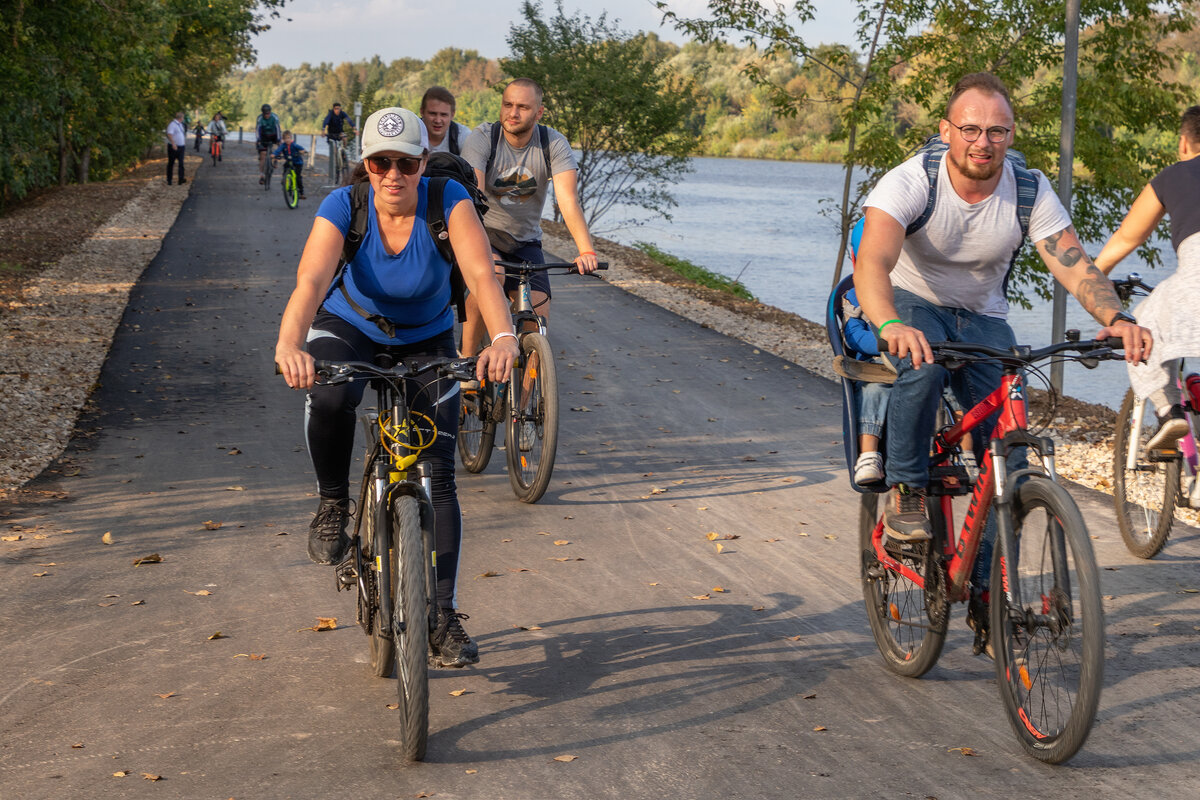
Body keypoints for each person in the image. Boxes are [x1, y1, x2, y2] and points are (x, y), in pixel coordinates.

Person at [853, 71, 1152, 544]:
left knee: (1008, 454)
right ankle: (907, 486)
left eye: (997, 131)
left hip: (982, 316)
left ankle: (987, 594)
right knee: (923, 367)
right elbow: (872, 261)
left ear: (1011, 134)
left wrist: (1117, 318)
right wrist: (890, 322)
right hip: (913, 301)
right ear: (946, 130)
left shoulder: (1028, 188)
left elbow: (1074, 265)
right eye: (970, 129)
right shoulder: (911, 181)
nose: (983, 142)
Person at [274, 106, 519, 667]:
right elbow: (311, 279)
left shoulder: (447, 201)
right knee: (333, 395)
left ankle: (441, 616)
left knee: (439, 472)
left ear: (423, 163)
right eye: (380, 162)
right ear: (365, 163)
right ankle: (334, 503)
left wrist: (502, 336)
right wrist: (290, 344)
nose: (393, 174)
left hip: (429, 336)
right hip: (350, 324)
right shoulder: (345, 205)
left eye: (405, 163)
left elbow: (482, 275)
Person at [458, 78, 599, 359]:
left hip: (526, 241)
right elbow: (473, 195)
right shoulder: (484, 138)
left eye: (522, 107)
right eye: (508, 105)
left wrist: (585, 250)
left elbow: (568, 200)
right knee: (492, 275)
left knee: (538, 316)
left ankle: (528, 401)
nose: (513, 113)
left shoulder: (552, 143)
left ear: (539, 112)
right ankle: (467, 359)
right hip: (485, 234)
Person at [1095, 105, 1200, 449]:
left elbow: (1127, 238)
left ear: (1185, 143)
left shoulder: (1174, 176)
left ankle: (1169, 411)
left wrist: (1094, 278)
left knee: (1138, 326)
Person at [420, 86, 471, 155]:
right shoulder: (410, 133)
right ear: (422, 112)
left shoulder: (463, 136)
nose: (438, 120)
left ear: (452, 115)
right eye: (433, 113)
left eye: (443, 115)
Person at [321, 102, 357, 180]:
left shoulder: (342, 114)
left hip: (339, 133)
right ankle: (337, 162)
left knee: (345, 138)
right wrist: (323, 130)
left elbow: (349, 120)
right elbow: (326, 121)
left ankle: (343, 152)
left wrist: (354, 128)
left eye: (339, 109)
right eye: (336, 109)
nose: (338, 110)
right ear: (333, 109)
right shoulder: (331, 114)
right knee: (334, 150)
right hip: (331, 134)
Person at [272, 130, 308, 200]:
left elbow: (302, 149)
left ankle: (301, 193)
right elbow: (278, 150)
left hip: (297, 163)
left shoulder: (294, 145)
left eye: (289, 138)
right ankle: (285, 180)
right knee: (285, 171)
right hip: (289, 162)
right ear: (283, 139)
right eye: (286, 138)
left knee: (298, 177)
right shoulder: (283, 146)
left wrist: (303, 151)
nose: (287, 140)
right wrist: (274, 154)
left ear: (291, 138)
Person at [256, 103, 282, 183]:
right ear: (262, 113)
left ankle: (276, 158)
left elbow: (278, 128)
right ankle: (261, 176)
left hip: (273, 135)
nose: (266, 115)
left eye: (268, 114)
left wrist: (278, 139)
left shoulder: (275, 117)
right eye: (265, 114)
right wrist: (258, 139)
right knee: (263, 155)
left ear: (270, 112)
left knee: (280, 143)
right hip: (264, 136)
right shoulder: (259, 118)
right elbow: (257, 129)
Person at [165, 110, 187, 185]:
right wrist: (173, 143)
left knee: (181, 163)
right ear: (180, 118)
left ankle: (181, 179)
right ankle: (169, 179)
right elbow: (169, 134)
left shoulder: (180, 124)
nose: (183, 119)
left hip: (181, 146)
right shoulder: (172, 124)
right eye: (183, 117)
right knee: (171, 163)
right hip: (174, 146)